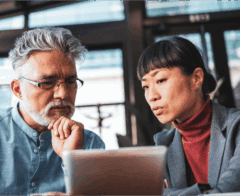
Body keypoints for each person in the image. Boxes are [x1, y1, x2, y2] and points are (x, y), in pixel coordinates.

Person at [0, 27, 105, 195]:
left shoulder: (90, 144)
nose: (63, 93)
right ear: (18, 89)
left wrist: (72, 160)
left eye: (71, 81)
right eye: (47, 82)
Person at [137, 36, 240, 195]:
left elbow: (227, 191)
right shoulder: (164, 144)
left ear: (196, 79)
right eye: (145, 86)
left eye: (161, 80)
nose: (151, 96)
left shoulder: (236, 127)